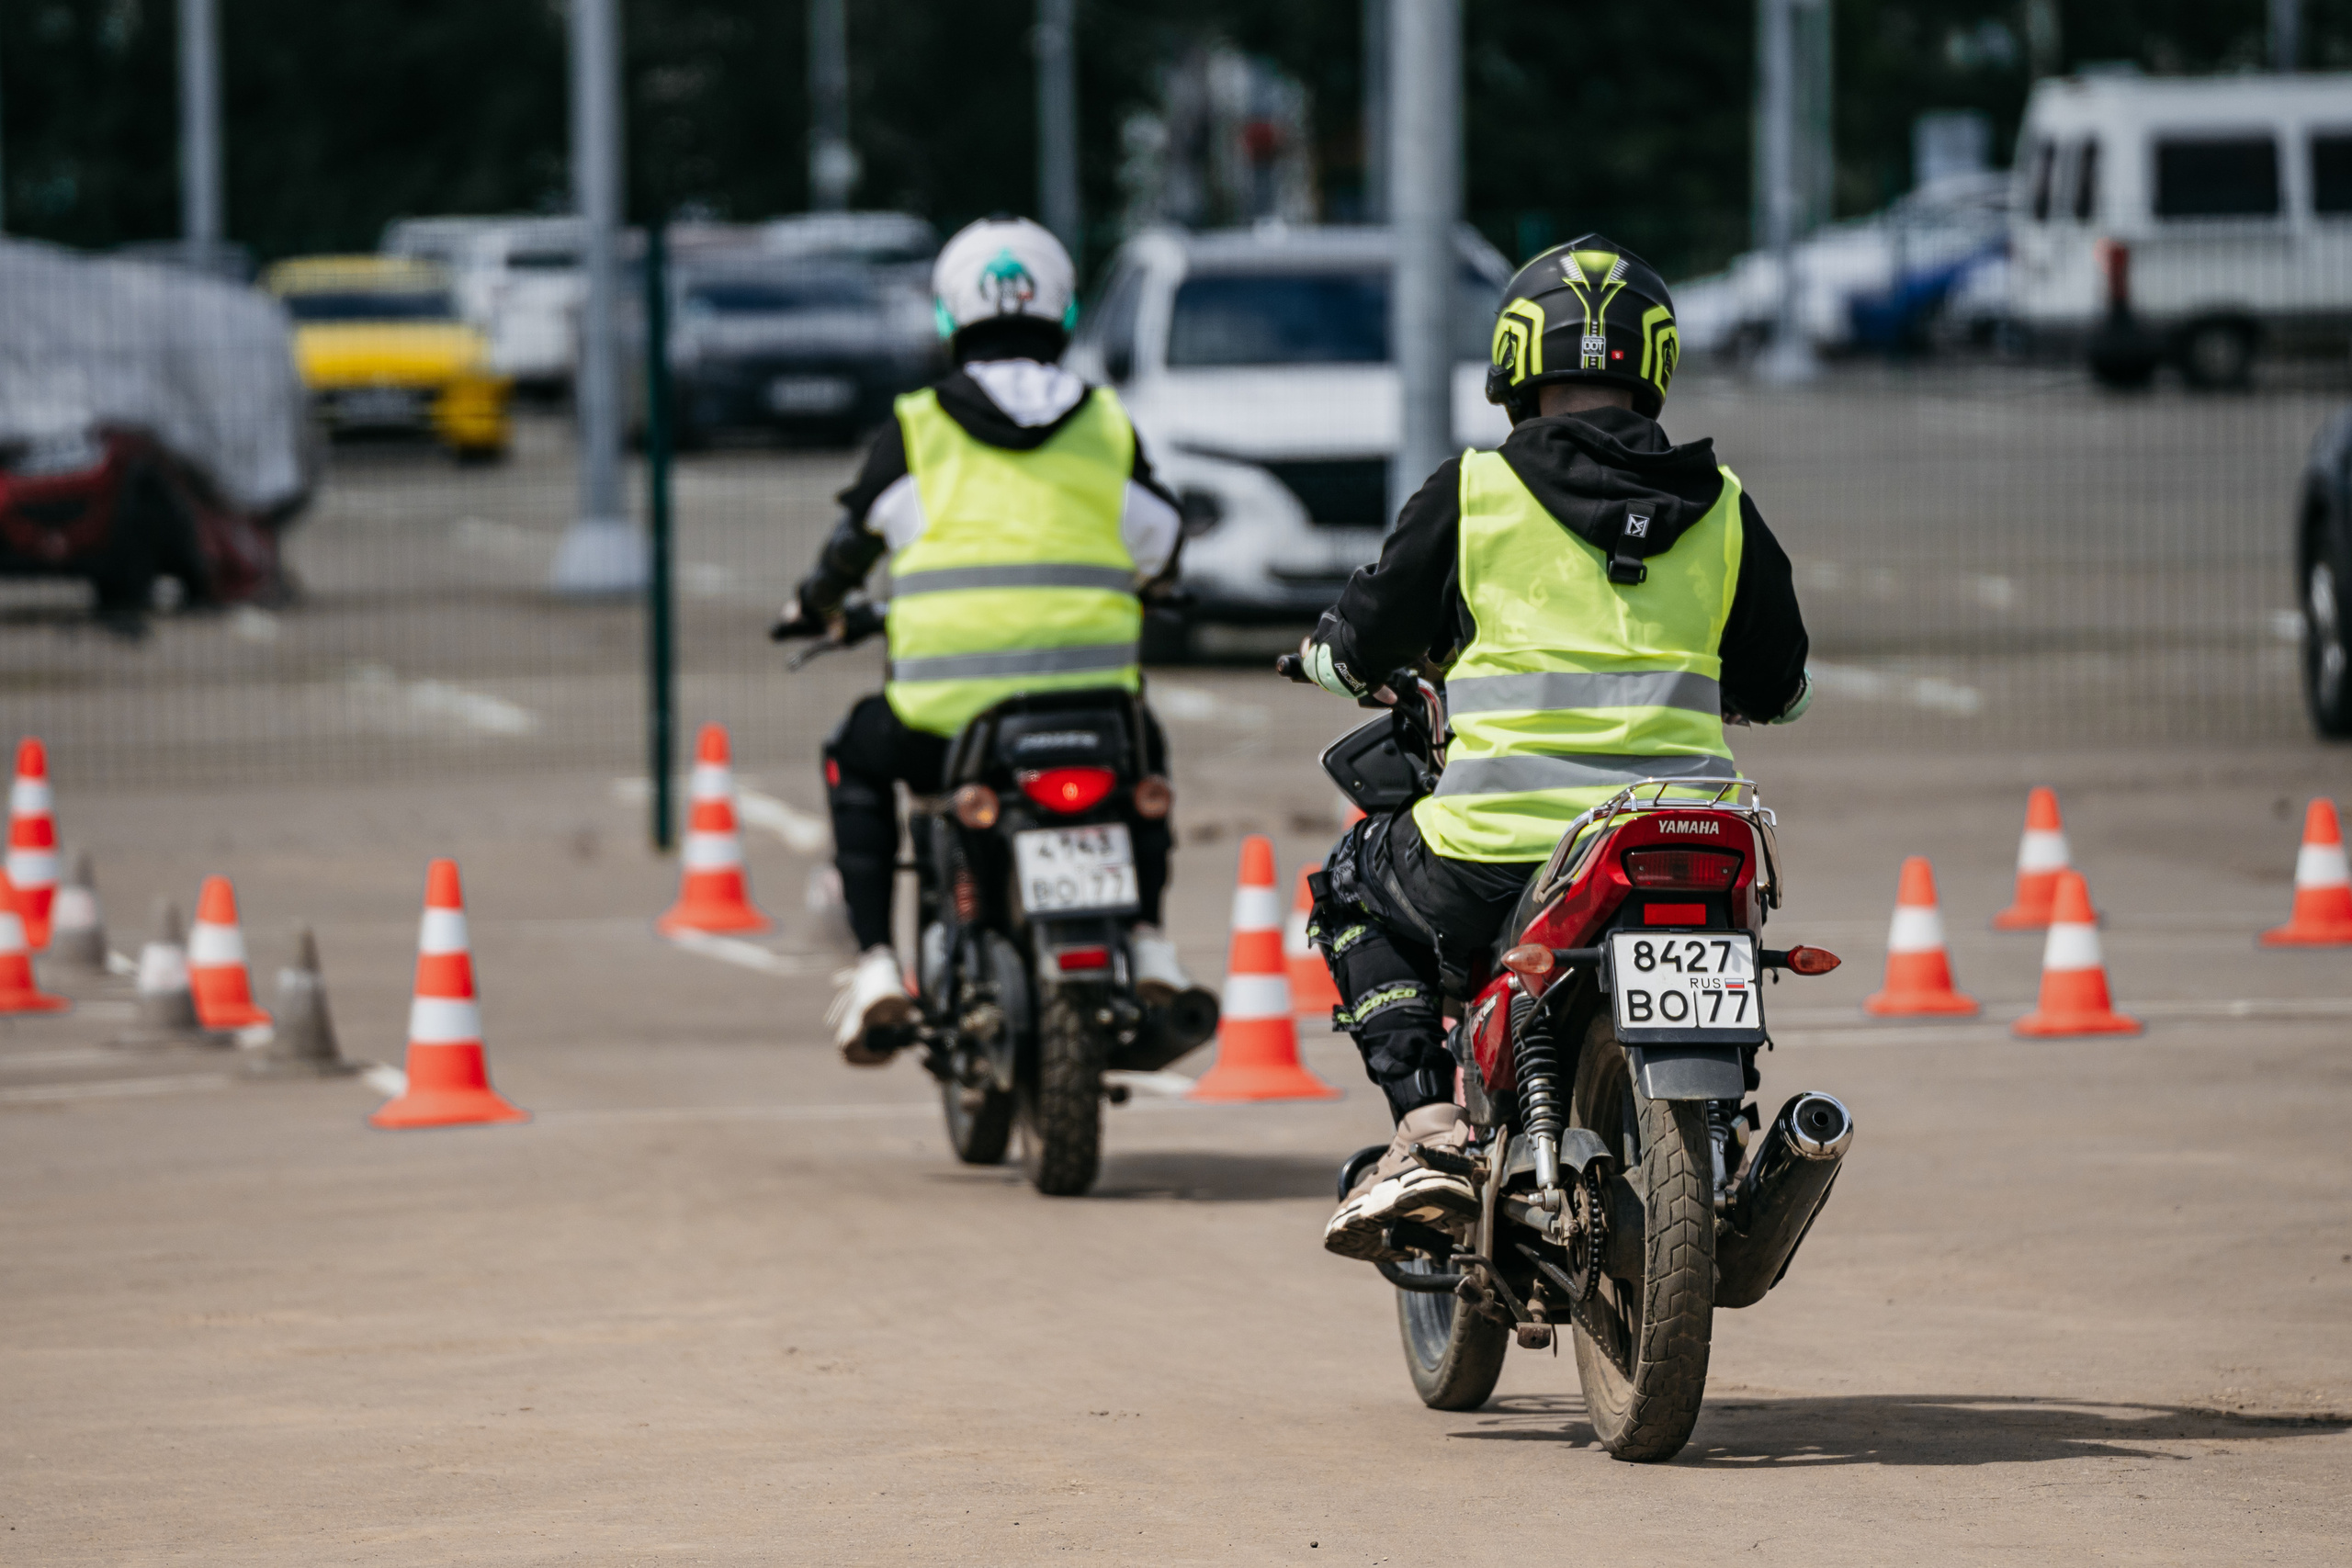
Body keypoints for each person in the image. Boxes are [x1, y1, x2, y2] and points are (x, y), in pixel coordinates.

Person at [1293, 236, 1813, 1259]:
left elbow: (1364, 641)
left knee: (1352, 885)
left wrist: (1322, 660)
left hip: (1496, 848)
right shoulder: (1726, 508)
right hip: (1689, 835)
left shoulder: (1476, 491)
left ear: (1516, 370)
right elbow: (1781, 688)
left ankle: (1426, 1132)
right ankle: (1732, 1135)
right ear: (1653, 364)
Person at [782, 217, 1193, 1063]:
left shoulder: (920, 425)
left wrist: (818, 604)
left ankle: (876, 968)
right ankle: (1148, 939)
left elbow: (850, 548)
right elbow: (1159, 537)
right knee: (1142, 758)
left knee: (855, 753)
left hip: (945, 720)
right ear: (1063, 311)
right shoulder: (1105, 422)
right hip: (1092, 708)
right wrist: (1148, 585)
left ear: (947, 316)